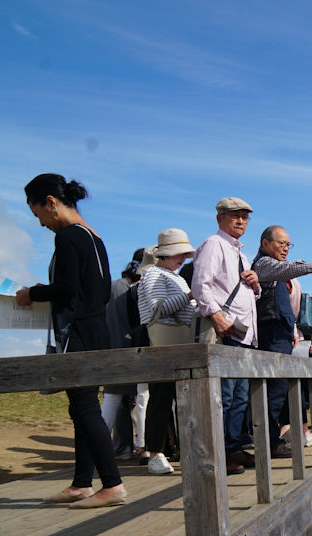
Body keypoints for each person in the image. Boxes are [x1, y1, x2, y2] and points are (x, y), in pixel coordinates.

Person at [15, 173, 127, 509]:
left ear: (50, 203)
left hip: (78, 332)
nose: (41, 224)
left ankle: (112, 484)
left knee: (84, 408)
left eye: (39, 215)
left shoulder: (67, 238)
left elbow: (66, 290)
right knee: (81, 407)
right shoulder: (94, 237)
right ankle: (81, 483)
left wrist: (31, 293)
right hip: (97, 329)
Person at [251, 225, 312, 456]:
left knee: (279, 391)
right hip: (270, 334)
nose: (285, 248)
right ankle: (267, 443)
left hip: (282, 335)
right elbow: (285, 270)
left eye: (288, 244)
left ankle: (270, 441)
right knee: (273, 392)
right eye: (281, 243)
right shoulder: (263, 264)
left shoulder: (275, 266)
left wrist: (292, 334)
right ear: (265, 243)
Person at [191, 197, 261, 474]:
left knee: (239, 396)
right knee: (224, 395)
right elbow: (200, 284)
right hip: (224, 328)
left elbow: (248, 294)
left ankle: (231, 448)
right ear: (219, 218)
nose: (241, 220)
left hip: (242, 332)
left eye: (245, 216)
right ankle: (217, 451)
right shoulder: (214, 244)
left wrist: (256, 286)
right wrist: (216, 316)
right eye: (234, 215)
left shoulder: (240, 253)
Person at [138, 228, 198, 475]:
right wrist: (191, 296)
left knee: (171, 396)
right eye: (178, 254)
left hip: (179, 338)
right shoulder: (153, 274)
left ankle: (165, 450)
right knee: (161, 396)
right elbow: (155, 309)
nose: (182, 258)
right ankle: (155, 452)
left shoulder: (172, 275)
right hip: (165, 339)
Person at [101, 256, 140, 458]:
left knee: (115, 400)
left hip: (108, 350)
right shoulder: (130, 291)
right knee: (120, 400)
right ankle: (123, 445)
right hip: (127, 350)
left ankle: (121, 445)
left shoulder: (109, 287)